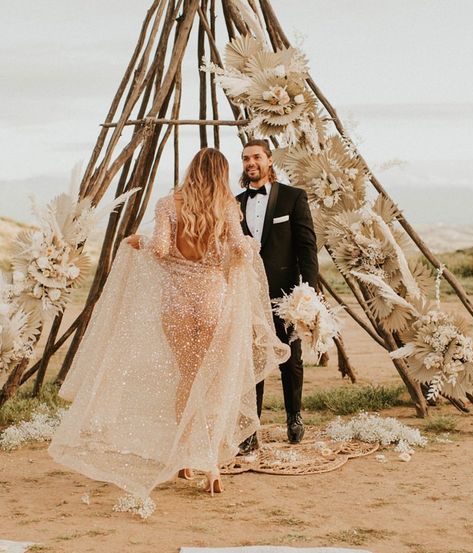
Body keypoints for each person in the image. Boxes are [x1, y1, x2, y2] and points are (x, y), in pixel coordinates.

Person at [48, 148, 289, 501]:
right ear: (221, 173)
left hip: (175, 302)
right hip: (212, 301)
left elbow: (159, 250)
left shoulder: (167, 204)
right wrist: (243, 250)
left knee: (188, 377)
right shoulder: (226, 207)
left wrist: (138, 240)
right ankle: (210, 464)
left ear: (192, 170)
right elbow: (240, 248)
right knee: (209, 382)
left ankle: (184, 457)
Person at [235, 139, 319, 450]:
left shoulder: (293, 198)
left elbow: (307, 247)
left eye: (256, 157)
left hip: (286, 295)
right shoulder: (236, 203)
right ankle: (250, 430)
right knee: (251, 361)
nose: (250, 163)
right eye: (245, 158)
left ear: (270, 161)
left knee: (291, 360)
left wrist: (308, 292)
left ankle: (294, 417)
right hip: (247, 296)